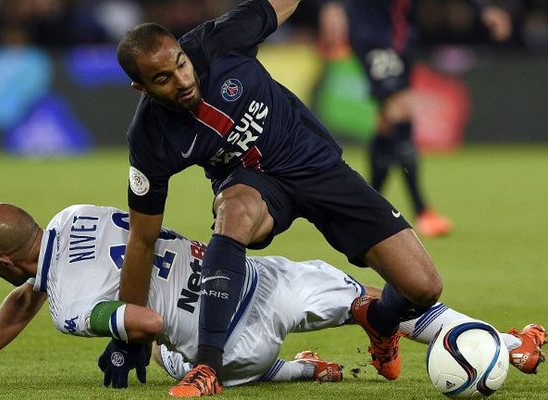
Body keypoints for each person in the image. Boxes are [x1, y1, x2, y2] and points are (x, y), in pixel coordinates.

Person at [115, 0, 446, 395]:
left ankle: (379, 318)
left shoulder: (219, 41)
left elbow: (277, 5)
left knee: (423, 287)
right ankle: (206, 367)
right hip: (254, 184)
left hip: (317, 166)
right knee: (234, 210)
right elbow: (142, 238)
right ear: (141, 88)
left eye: (181, 63)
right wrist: (129, 336)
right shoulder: (150, 138)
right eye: (163, 78)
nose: (182, 80)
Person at [0, 203, 545, 391]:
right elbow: (31, 291)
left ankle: (292, 371)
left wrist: (118, 335)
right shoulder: (70, 216)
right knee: (379, 299)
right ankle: (510, 346)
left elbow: (146, 319)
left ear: (4, 261)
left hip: (233, 344)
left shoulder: (70, 307)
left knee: (167, 352)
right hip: (257, 279)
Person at [318, 0, 512, 237]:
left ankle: (363, 209)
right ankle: (421, 210)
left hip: (401, 38)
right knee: (399, 112)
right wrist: (332, 7)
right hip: (374, 38)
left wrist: (483, 10)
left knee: (388, 122)